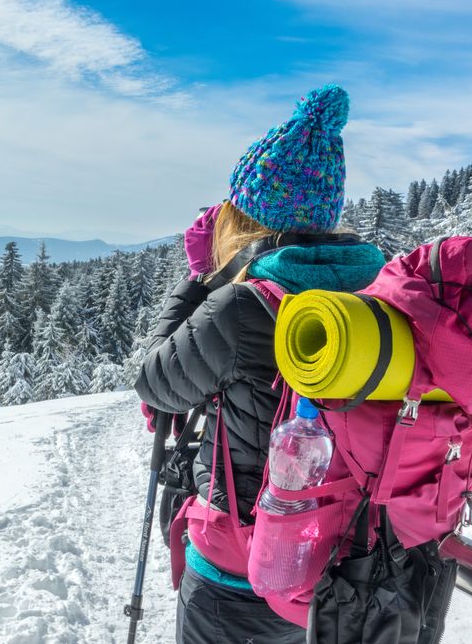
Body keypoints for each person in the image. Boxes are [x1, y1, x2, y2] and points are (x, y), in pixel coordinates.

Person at [136, 85, 387, 643]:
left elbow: (155, 382)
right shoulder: (376, 296)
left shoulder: (243, 307)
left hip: (242, 572)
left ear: (247, 218)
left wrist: (200, 280)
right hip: (341, 566)